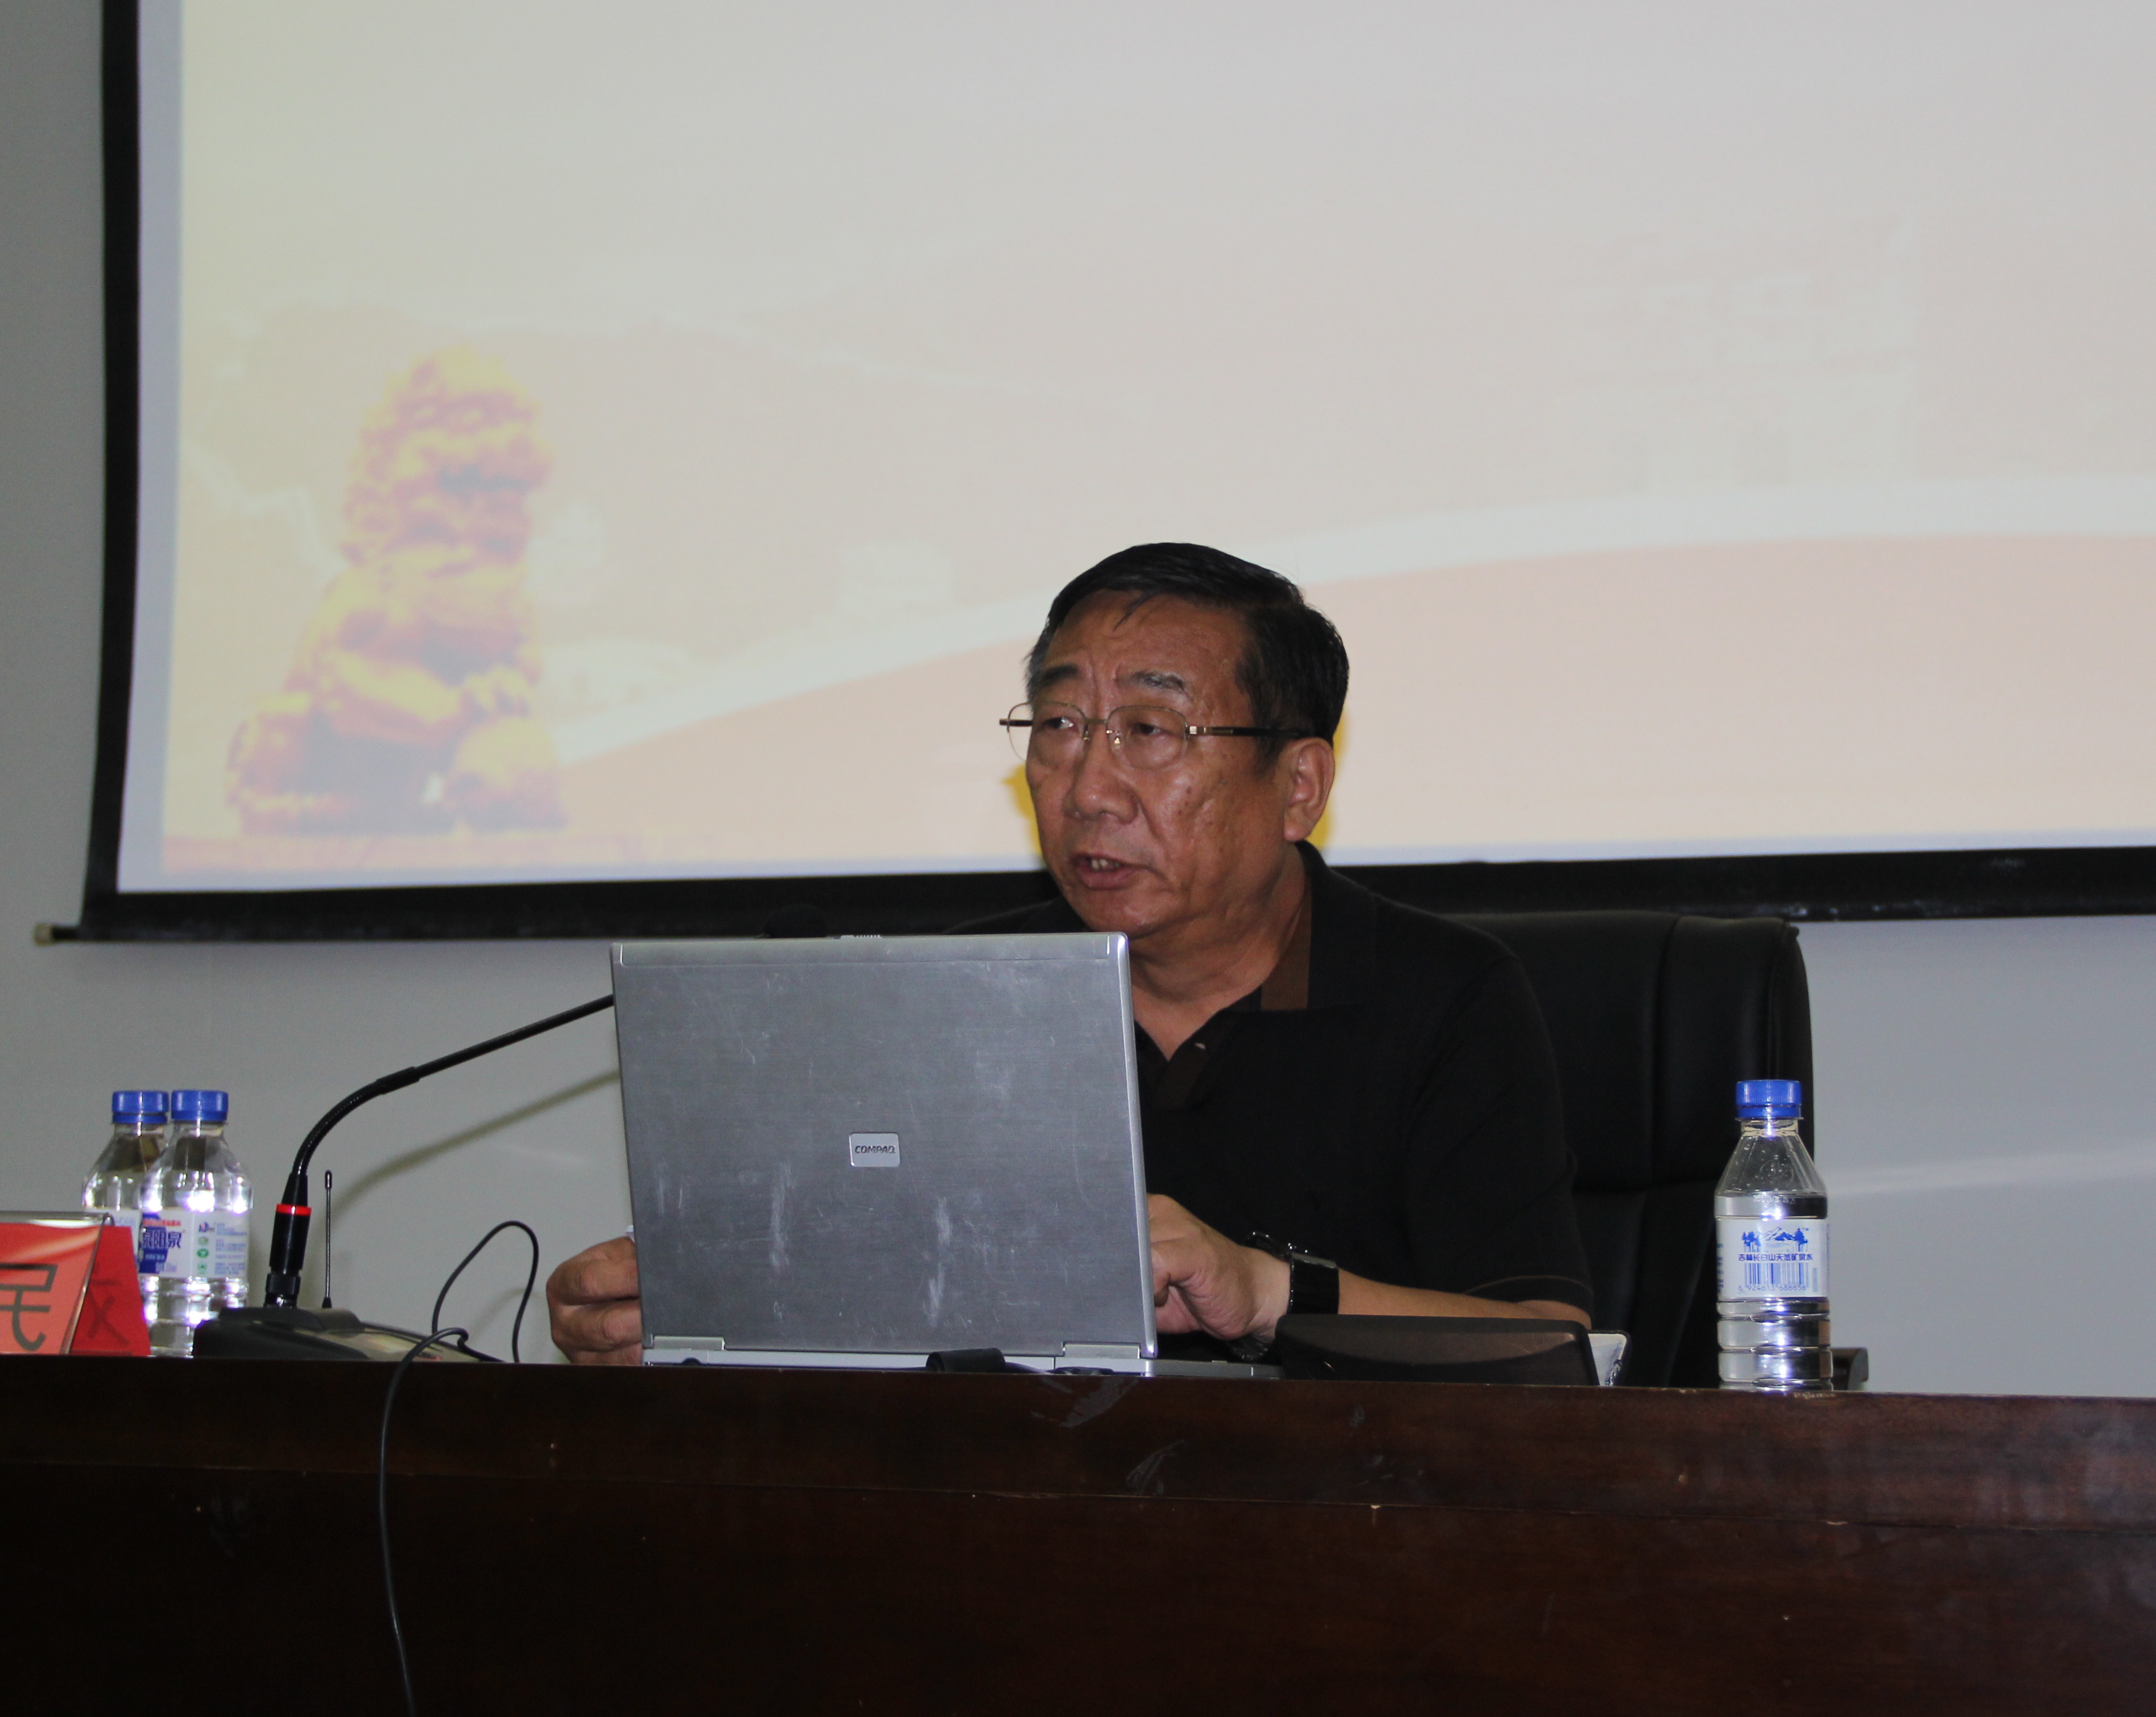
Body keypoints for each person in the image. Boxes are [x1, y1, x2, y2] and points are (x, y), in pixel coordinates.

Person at [547, 543, 1590, 1364]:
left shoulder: (1446, 997)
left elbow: (1548, 1346)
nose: (1088, 788)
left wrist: (1268, 1290)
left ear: (1299, 787)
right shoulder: (953, 999)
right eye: (1058, 725)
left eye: (1152, 730)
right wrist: (698, 1324)